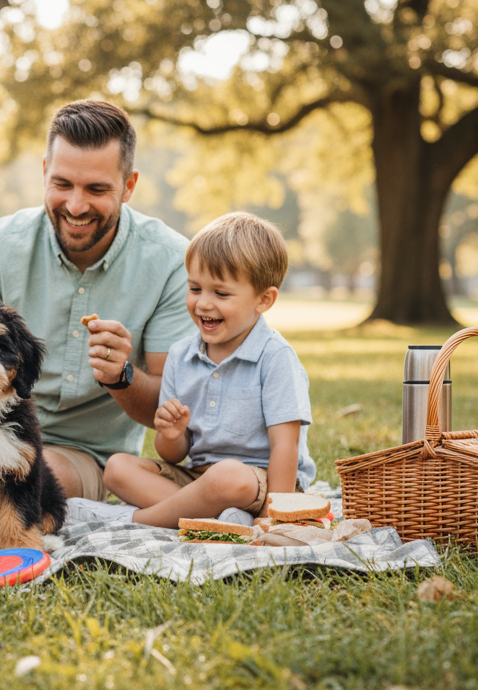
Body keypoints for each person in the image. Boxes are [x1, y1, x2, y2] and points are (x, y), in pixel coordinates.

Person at [0, 100, 196, 502]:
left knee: (26, 486)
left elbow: (169, 413)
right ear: (45, 170)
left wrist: (122, 375)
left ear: (129, 185)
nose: (77, 205)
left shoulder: (171, 262)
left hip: (80, 455)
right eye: (63, 184)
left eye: (97, 189)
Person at [66, 212, 316, 527]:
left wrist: (276, 516)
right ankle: (223, 517)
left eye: (221, 293)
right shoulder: (180, 355)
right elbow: (174, 455)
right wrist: (171, 434)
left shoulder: (275, 357)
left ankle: (134, 520)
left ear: (264, 299)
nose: (203, 304)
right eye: (195, 288)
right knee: (117, 468)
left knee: (228, 476)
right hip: (199, 478)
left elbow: (286, 445)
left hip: (263, 483)